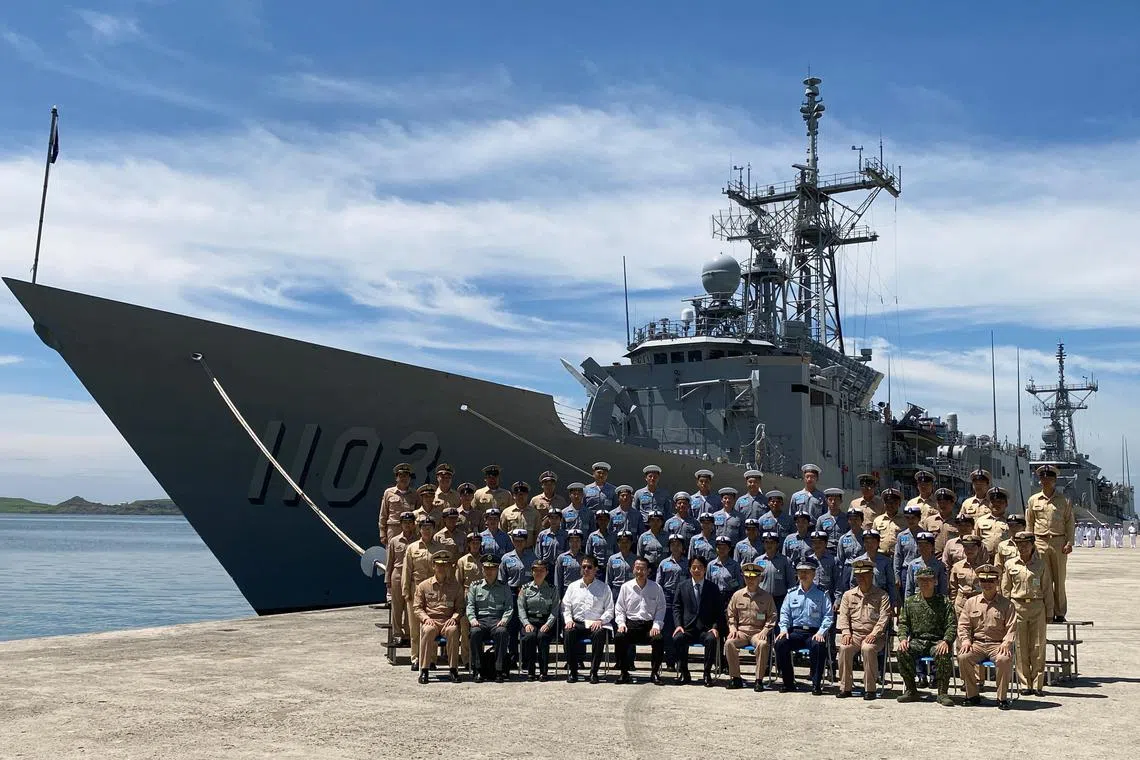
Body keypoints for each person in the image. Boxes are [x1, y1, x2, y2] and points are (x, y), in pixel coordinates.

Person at [957, 564, 1016, 709]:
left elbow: (1012, 628)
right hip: (977, 644)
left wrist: (1006, 643)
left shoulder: (1007, 605)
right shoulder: (971, 602)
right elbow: (963, 625)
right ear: (979, 582)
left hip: (997, 645)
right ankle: (972, 695)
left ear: (997, 582)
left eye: (991, 581)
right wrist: (965, 641)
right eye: (983, 581)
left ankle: (1001, 698)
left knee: (1004, 659)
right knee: (963, 657)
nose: (987, 584)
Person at [1002, 531, 1053, 695]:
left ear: (1032, 545)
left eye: (1026, 544)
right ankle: (1025, 684)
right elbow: (1005, 590)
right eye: (1019, 544)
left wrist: (1049, 612)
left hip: (1037, 606)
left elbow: (1047, 589)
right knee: (1020, 646)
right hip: (1017, 606)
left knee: (1038, 646)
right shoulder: (1010, 564)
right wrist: (1005, 612)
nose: (1022, 547)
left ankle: (1038, 684)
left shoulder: (1041, 565)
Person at [895, 567, 955, 706]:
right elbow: (903, 623)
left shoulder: (944, 602)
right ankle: (911, 690)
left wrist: (946, 641)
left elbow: (952, 625)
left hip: (937, 641)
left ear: (935, 582)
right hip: (918, 640)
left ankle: (942, 693)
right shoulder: (910, 602)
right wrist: (903, 638)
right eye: (922, 581)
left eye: (928, 580)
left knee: (943, 652)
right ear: (917, 582)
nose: (925, 583)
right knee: (902, 651)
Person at [835, 558, 892, 700]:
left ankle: (870, 689)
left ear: (872, 575)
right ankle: (845, 687)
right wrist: (846, 632)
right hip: (854, 634)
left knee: (867, 648)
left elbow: (884, 618)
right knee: (844, 647)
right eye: (858, 575)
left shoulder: (882, 595)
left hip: (875, 636)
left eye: (865, 575)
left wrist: (874, 633)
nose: (861, 578)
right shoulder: (848, 595)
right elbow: (843, 616)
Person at [774, 560, 834, 694]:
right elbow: (784, 614)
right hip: (795, 631)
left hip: (814, 632)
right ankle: (788, 682)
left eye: (806, 572)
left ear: (814, 574)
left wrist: (821, 632)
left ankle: (816, 683)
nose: (803, 575)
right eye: (800, 572)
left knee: (818, 646)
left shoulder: (822, 593)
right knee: (780, 643)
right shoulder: (791, 593)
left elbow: (828, 616)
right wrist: (783, 629)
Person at [1026, 463, 1074, 622]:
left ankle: (1060, 612)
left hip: (1058, 543)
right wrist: (1029, 544)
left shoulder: (1064, 501)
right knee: (1039, 578)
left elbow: (1069, 522)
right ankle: (1043, 610)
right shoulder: (1033, 500)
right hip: (1039, 542)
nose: (1045, 480)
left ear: (1055, 480)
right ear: (1039, 481)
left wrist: (1070, 542)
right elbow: (1029, 523)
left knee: (1059, 580)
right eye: (1043, 478)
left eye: (1049, 478)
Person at [671, 556, 725, 686]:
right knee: (678, 638)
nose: (696, 570)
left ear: (705, 569)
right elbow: (677, 607)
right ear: (689, 569)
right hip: (687, 628)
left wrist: (715, 627)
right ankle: (684, 672)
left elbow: (719, 610)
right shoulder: (682, 586)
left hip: (705, 629)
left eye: (700, 567)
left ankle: (707, 673)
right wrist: (678, 625)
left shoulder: (713, 588)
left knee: (712, 639)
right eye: (693, 567)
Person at [724, 562, 777, 691]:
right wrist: (733, 628)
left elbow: (772, 616)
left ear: (760, 578)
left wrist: (765, 630)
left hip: (757, 632)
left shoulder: (767, 597)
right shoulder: (737, 595)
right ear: (744, 578)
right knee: (729, 643)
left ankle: (759, 680)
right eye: (748, 577)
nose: (751, 580)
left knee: (763, 644)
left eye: (754, 577)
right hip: (741, 631)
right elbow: (731, 613)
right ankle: (736, 678)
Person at [561, 555, 614, 684]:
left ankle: (594, 672)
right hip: (577, 623)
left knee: (599, 634)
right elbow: (565, 606)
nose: (586, 569)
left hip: (596, 623)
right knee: (568, 632)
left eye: (589, 567)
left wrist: (601, 620)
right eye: (583, 567)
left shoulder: (604, 588)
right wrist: (568, 620)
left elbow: (610, 610)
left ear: (595, 569)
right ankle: (573, 671)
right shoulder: (572, 587)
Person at [613, 557, 667, 684]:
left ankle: (654, 673)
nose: (639, 571)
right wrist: (621, 624)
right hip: (631, 624)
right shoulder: (626, 587)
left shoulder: (656, 587)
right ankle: (624, 672)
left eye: (643, 569)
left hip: (649, 625)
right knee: (619, 637)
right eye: (637, 568)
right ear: (633, 570)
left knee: (658, 639)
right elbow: (619, 608)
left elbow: (661, 609)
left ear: (648, 571)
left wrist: (656, 626)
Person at [413, 551, 464, 684]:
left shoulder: (456, 586)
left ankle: (453, 670)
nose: (441, 568)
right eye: (438, 565)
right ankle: (424, 670)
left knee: (453, 631)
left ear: (448, 567)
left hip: (448, 620)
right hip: (431, 620)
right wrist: (425, 618)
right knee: (428, 631)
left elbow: (460, 608)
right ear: (433, 566)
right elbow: (417, 608)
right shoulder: (423, 586)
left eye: (444, 565)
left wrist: (454, 618)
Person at [403, 516, 446, 670]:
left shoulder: (439, 548)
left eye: (429, 527)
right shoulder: (412, 548)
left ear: (433, 529)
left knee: (432, 624)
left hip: (433, 590)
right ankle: (416, 658)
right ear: (419, 529)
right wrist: (406, 591)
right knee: (415, 628)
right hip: (416, 589)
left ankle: (431, 659)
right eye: (424, 527)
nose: (427, 530)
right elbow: (406, 570)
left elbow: (444, 570)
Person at [466, 555, 513, 683]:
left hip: (497, 620)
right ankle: (478, 669)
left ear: (497, 569)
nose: (489, 571)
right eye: (486, 568)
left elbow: (509, 607)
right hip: (480, 620)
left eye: (492, 568)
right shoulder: (475, 586)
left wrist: (504, 620)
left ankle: (499, 669)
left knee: (502, 633)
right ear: (482, 569)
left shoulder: (504, 587)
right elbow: (470, 606)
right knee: (475, 632)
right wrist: (472, 620)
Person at [517, 559, 558, 681]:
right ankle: (530, 671)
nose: (539, 573)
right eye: (536, 570)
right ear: (532, 572)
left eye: (542, 570)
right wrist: (526, 623)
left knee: (542, 637)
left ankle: (543, 672)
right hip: (530, 621)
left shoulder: (552, 589)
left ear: (546, 572)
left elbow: (555, 610)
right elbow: (521, 608)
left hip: (546, 621)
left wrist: (548, 624)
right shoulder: (525, 588)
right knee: (529, 637)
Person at [656, 534, 689, 668]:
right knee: (668, 631)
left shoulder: (687, 563)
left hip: (683, 598)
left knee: (682, 630)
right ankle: (670, 660)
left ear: (683, 547)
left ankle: (681, 661)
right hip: (667, 597)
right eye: (673, 545)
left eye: (678, 545)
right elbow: (659, 583)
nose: (675, 547)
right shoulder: (664, 563)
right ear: (669, 547)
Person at [384, 511, 416, 646]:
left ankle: (408, 633)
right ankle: (397, 634)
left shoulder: (417, 540)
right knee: (397, 606)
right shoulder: (394, 541)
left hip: (412, 575)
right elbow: (389, 561)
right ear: (401, 524)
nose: (407, 525)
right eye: (405, 523)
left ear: (414, 524)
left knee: (410, 605)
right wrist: (387, 579)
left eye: (409, 523)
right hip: (397, 572)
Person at [846, 530, 897, 610]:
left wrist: (893, 601)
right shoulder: (858, 561)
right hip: (862, 599)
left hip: (881, 598)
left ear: (878, 543)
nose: (870, 545)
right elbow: (853, 583)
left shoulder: (886, 561)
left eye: (873, 542)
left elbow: (891, 583)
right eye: (867, 542)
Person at [455, 532, 484, 669]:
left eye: (478, 543)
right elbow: (458, 583)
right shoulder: (462, 561)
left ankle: (478, 658)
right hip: (467, 595)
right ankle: (466, 659)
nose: (475, 545)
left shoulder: (485, 559)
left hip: (483, 597)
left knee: (480, 629)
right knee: (465, 630)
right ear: (468, 544)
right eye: (473, 543)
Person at [948, 534, 986, 617]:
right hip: (961, 603)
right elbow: (953, 588)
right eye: (967, 547)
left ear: (979, 548)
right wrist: (953, 603)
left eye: (973, 547)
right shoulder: (957, 567)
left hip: (978, 602)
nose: (970, 550)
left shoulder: (984, 567)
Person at [379, 463, 417, 543]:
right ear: (396, 478)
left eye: (406, 476)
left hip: (410, 529)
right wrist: (382, 533)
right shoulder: (388, 493)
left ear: (409, 478)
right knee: (392, 553)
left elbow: (418, 514)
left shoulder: (414, 494)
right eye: (401, 476)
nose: (404, 478)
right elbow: (383, 514)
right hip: (394, 529)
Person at [902, 531, 947, 598]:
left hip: (935, 601)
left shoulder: (939, 565)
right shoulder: (912, 564)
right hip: (916, 601)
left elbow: (943, 588)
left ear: (932, 547)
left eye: (926, 545)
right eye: (920, 545)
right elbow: (909, 588)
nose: (923, 548)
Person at [756, 531, 793, 611]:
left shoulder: (785, 560)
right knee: (761, 619)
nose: (769, 545)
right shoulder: (757, 560)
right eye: (766, 542)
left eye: (772, 542)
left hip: (780, 599)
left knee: (779, 621)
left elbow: (791, 582)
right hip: (762, 598)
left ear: (777, 544)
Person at [892, 506, 923, 598]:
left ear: (919, 518)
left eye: (913, 518)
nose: (911, 520)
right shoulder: (901, 536)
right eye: (908, 518)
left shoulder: (924, 535)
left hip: (920, 570)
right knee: (906, 597)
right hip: (905, 570)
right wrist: (897, 576)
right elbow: (898, 556)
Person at [501, 482, 540, 549]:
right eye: (518, 494)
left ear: (527, 495)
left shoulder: (535, 513)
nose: (520, 497)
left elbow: (537, 534)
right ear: (513, 496)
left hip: (529, 550)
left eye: (523, 494)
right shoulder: (506, 512)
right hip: (511, 550)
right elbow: (502, 532)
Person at [473, 465, 513, 530]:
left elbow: (511, 513)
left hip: (502, 530)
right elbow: (474, 513)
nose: (492, 480)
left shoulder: (507, 494)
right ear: (485, 479)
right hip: (484, 529)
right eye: (490, 478)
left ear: (498, 478)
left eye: (495, 477)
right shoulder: (478, 494)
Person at [922, 488, 959, 556]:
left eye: (945, 502)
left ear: (952, 503)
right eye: (940, 502)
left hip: (954, 559)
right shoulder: (929, 521)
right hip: (934, 559)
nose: (942, 505)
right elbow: (924, 542)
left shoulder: (959, 521)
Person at [707, 535, 744, 601]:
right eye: (719, 547)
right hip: (714, 597)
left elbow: (739, 584)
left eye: (724, 548)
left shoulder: (735, 565)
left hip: (730, 597)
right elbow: (707, 583)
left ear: (729, 549)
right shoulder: (711, 565)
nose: (721, 550)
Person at [872, 489, 906, 557]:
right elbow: (873, 540)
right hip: (881, 556)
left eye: (894, 503)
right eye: (888, 502)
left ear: (899, 504)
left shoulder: (905, 520)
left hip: (899, 556)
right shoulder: (877, 520)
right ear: (884, 504)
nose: (891, 505)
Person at [976, 487, 1011, 555]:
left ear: (1006, 504)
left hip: (1004, 557)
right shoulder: (980, 521)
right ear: (989, 504)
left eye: (1000, 502)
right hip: (985, 558)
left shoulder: (1011, 521)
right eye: (993, 502)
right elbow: (976, 541)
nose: (996, 504)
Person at [606, 531, 637, 601]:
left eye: (627, 542)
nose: (624, 544)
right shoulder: (612, 559)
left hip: (632, 590)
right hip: (616, 591)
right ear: (618, 543)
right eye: (621, 542)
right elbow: (608, 579)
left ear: (631, 543)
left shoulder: (636, 559)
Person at [816, 489, 849, 554]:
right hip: (827, 552)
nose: (833, 502)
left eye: (836, 499)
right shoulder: (821, 519)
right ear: (826, 501)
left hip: (843, 551)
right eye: (830, 499)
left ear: (841, 501)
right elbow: (818, 539)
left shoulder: (847, 518)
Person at [555, 529, 585, 599]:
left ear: (581, 542)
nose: (574, 543)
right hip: (566, 591)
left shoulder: (585, 559)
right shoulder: (561, 558)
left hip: (581, 591)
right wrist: (558, 597)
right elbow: (558, 579)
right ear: (568, 542)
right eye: (572, 541)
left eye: (577, 540)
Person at [836, 508, 866, 573]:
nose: (853, 522)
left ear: (862, 520)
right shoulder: (843, 538)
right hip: (848, 569)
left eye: (856, 519)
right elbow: (840, 559)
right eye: (851, 519)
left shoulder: (866, 537)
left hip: (863, 569)